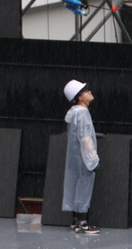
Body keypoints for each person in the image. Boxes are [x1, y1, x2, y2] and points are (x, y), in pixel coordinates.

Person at [62, 79, 100, 235]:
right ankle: (82, 222)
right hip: (84, 159)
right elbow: (85, 137)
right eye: (86, 91)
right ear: (79, 97)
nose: (90, 92)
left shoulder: (74, 113)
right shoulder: (82, 113)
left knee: (76, 187)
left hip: (76, 158)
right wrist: (93, 156)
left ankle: (76, 220)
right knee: (84, 188)